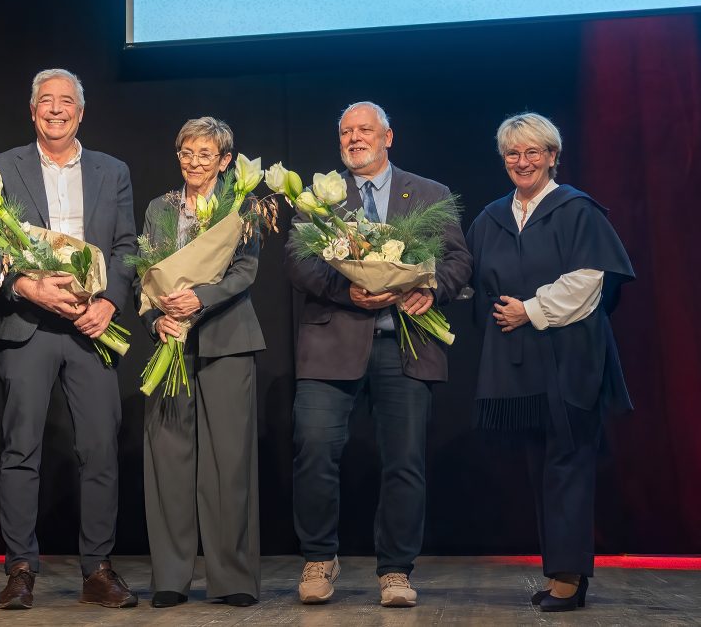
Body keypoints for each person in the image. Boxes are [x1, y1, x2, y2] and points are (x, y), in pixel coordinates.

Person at [286, 101, 471, 607]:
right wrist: (347, 292)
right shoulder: (319, 198)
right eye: (346, 132)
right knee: (314, 450)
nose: (355, 138)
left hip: (405, 345)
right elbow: (298, 261)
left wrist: (430, 288)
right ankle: (319, 557)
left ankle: (395, 570)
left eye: (364, 130)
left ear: (388, 137)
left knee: (405, 461)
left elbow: (458, 260)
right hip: (330, 344)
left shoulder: (429, 193)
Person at [0, 68, 138, 609]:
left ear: (81, 111)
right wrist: (27, 287)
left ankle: (97, 569)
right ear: (32, 111)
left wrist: (109, 302)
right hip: (27, 324)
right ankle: (21, 569)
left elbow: (125, 247)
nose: (55, 109)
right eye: (45, 100)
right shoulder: (1, 167)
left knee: (99, 449)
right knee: (20, 448)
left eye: (65, 101)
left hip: (91, 328)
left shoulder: (112, 170)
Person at [466, 112, 634, 612]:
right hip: (521, 364)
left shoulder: (577, 210)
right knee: (541, 464)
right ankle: (561, 569)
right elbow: (467, 273)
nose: (523, 162)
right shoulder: (493, 217)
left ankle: (569, 576)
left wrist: (531, 309)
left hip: (571, 357)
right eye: (513, 153)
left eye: (533, 152)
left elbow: (588, 281)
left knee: (568, 463)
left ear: (553, 156)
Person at [136, 117, 264, 609]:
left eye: (205, 154)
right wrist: (156, 320)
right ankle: (171, 576)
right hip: (172, 339)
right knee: (168, 461)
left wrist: (201, 298)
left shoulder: (242, 205)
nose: (193, 162)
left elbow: (245, 270)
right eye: (186, 153)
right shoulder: (159, 208)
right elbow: (144, 275)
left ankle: (232, 578)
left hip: (227, 340)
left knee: (229, 463)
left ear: (225, 160)